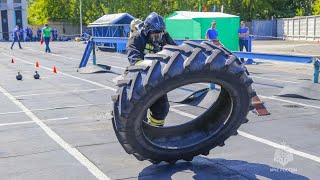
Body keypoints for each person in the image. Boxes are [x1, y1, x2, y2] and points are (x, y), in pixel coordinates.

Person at [126, 12, 177, 126]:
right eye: (154, 35)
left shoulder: (164, 35)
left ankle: (155, 131)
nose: (157, 38)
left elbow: (176, 49)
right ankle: (140, 132)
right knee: (138, 112)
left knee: (162, 109)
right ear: (146, 31)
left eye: (159, 35)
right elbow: (134, 59)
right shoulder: (137, 37)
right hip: (138, 78)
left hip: (156, 77)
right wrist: (145, 68)